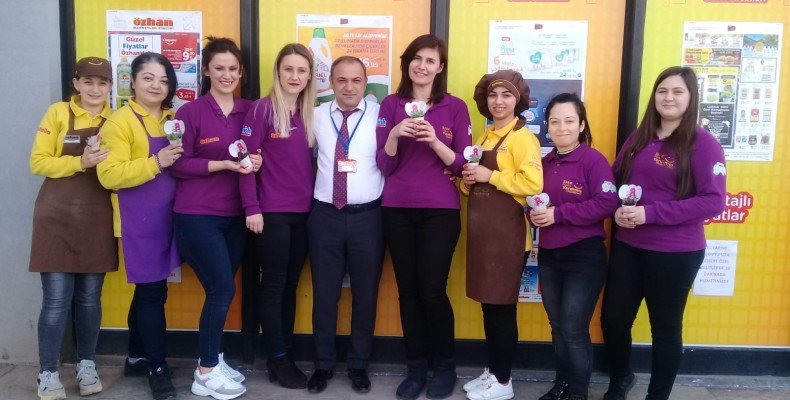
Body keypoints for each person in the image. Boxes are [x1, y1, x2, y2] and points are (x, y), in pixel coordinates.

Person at [601, 66, 727, 400]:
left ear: (691, 97)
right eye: (662, 91)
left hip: (676, 253)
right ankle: (620, 378)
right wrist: (617, 208)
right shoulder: (639, 137)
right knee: (613, 320)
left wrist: (650, 213)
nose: (668, 97)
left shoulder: (704, 144)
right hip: (629, 246)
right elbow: (615, 181)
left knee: (665, 329)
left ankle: (656, 396)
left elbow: (713, 201)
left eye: (677, 91)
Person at [376, 34, 472, 400]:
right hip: (397, 209)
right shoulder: (391, 104)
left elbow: (463, 164)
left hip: (440, 211)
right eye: (417, 58)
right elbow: (384, 165)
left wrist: (434, 141)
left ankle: (445, 366)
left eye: (430, 60)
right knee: (408, 292)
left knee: (432, 291)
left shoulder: (455, 107)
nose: (422, 66)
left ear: (440, 67)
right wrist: (395, 134)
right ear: (407, 63)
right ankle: (415, 367)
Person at [170, 37, 261, 400]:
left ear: (241, 73)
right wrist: (221, 164)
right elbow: (178, 164)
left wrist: (259, 160)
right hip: (197, 216)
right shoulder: (189, 113)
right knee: (222, 289)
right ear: (206, 70)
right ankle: (205, 372)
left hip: (235, 217)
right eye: (219, 68)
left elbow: (259, 153)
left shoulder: (251, 111)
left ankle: (214, 358)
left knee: (219, 290)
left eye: (233, 69)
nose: (227, 75)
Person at [29, 57, 117, 400]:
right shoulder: (57, 114)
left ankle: (86, 364)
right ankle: (48, 372)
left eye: (102, 83)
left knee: (90, 298)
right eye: (88, 82)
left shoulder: (116, 120)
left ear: (111, 86)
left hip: (97, 218)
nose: (95, 89)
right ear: (76, 83)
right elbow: (38, 162)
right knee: (55, 300)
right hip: (56, 217)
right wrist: (80, 161)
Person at [97, 52, 183, 400]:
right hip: (140, 220)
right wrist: (155, 162)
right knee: (152, 292)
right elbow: (109, 174)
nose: (156, 86)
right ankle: (157, 368)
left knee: (150, 289)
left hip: (170, 216)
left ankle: (135, 356)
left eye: (163, 80)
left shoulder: (173, 119)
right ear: (132, 82)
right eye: (148, 78)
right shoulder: (119, 123)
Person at [528, 93, 619, 400]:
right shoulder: (544, 163)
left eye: (569, 121)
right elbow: (532, 201)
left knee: (573, 328)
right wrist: (534, 213)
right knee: (557, 326)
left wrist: (559, 214)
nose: (562, 128)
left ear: (581, 125)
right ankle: (561, 385)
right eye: (555, 121)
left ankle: (578, 392)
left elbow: (607, 203)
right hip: (550, 255)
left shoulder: (593, 160)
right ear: (547, 126)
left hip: (584, 257)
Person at [460, 70, 543, 400]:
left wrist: (489, 175)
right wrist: (467, 182)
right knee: (489, 307)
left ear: (518, 100)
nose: (498, 101)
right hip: (484, 236)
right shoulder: (485, 137)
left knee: (502, 310)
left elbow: (533, 184)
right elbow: (473, 182)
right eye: (493, 95)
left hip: (508, 237)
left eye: (506, 95)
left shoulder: (523, 139)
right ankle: (493, 372)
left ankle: (504, 382)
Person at [239, 43, 316, 389]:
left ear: (309, 76)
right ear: (278, 72)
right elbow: (245, 162)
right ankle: (279, 358)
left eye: (301, 70)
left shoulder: (310, 112)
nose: (294, 76)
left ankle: (282, 354)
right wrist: (252, 208)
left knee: (290, 286)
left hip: (304, 214)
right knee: (272, 286)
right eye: (288, 69)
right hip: (271, 213)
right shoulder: (262, 110)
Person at [306, 56, 384, 394]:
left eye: (356, 80)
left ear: (365, 83)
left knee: (365, 295)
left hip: (369, 217)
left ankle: (358, 364)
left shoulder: (380, 116)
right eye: (342, 80)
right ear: (331, 82)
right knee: (325, 294)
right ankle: (323, 363)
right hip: (325, 216)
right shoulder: (315, 115)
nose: (349, 87)